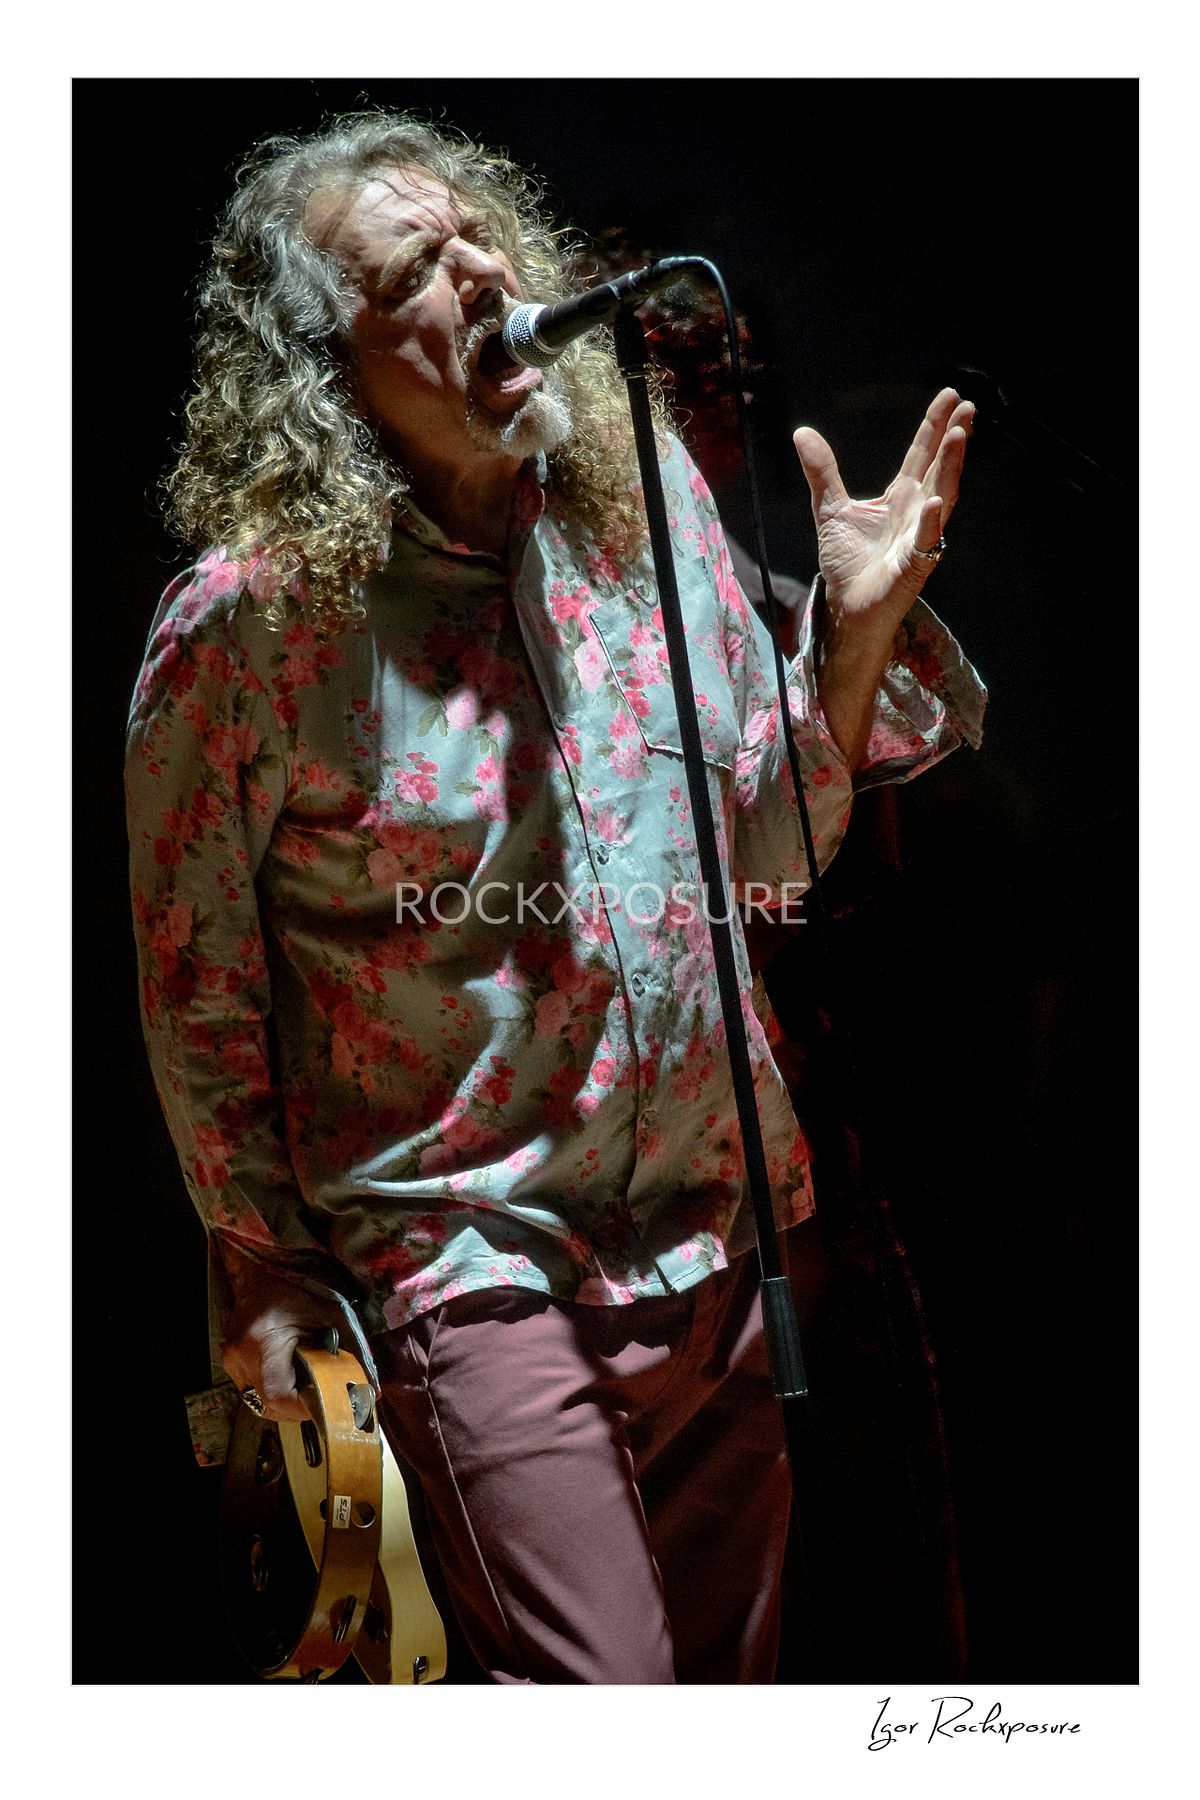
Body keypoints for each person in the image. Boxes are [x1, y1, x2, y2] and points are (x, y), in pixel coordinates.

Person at [126, 111, 986, 1684]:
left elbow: (774, 853)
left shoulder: (631, 499)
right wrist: (259, 1270)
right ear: (328, 373)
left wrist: (850, 647)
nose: (481, 277)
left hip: (713, 1236)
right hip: (474, 1268)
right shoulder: (257, 625)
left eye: (476, 239)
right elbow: (197, 985)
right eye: (415, 274)